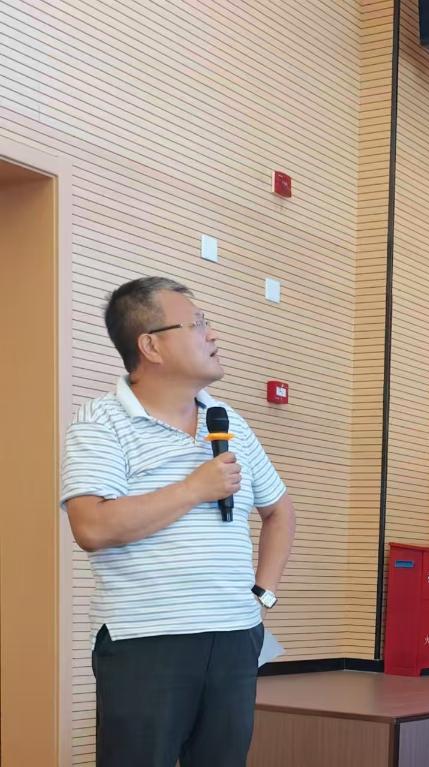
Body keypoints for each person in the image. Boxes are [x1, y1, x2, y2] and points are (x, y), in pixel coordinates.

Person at [61, 276, 296, 767]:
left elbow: (279, 511)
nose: (213, 334)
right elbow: (92, 528)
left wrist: (263, 596)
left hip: (235, 637)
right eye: (197, 324)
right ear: (151, 346)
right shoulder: (101, 422)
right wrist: (193, 489)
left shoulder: (228, 420)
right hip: (146, 642)